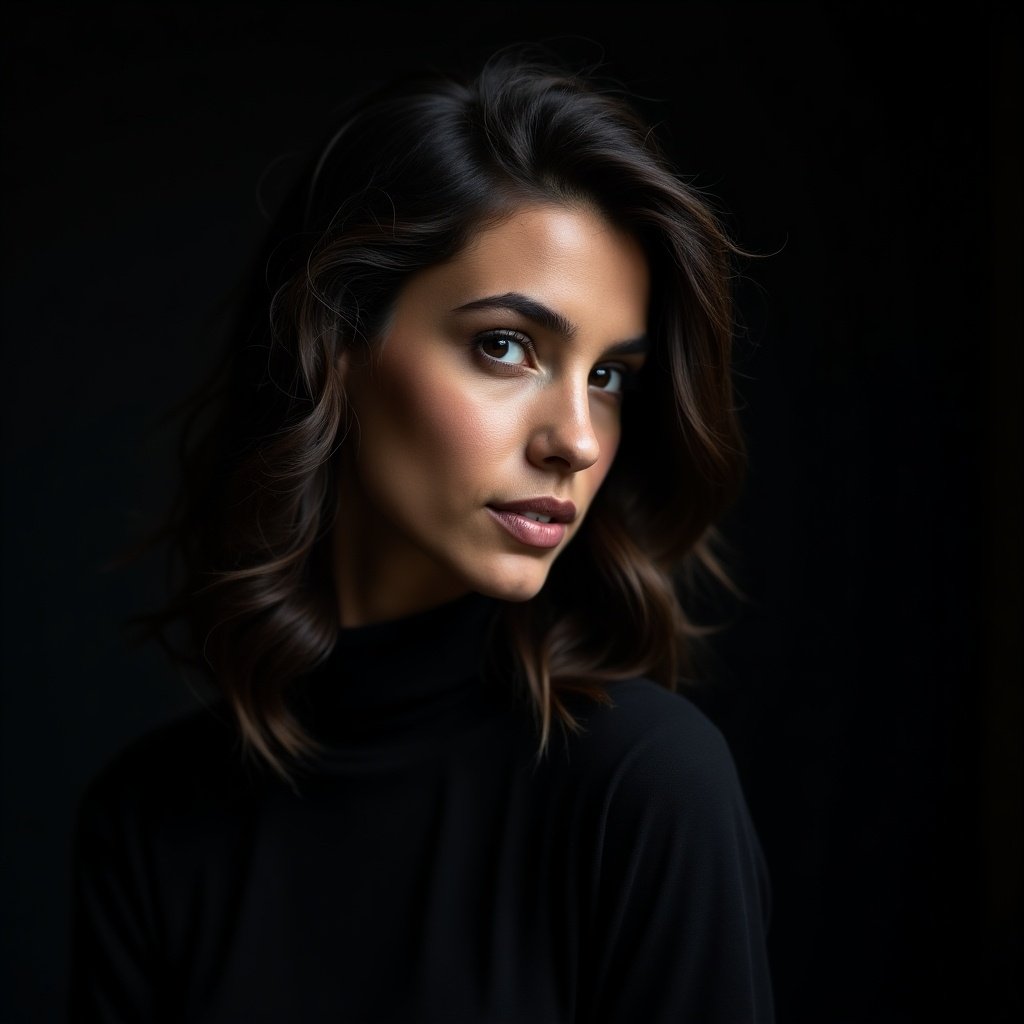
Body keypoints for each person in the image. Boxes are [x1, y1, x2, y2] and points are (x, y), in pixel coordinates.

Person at [68, 46, 774, 1023]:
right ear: (338, 345)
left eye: (608, 375)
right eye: (506, 346)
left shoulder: (644, 790)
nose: (574, 438)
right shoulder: (150, 823)